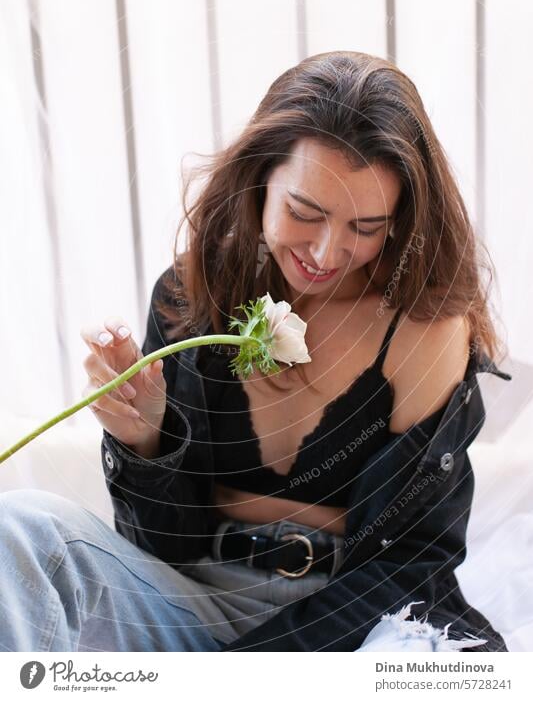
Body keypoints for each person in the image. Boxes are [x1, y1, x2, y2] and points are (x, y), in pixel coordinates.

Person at [0, 50, 512, 652]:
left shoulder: (424, 331)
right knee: (21, 528)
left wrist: (249, 674)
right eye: (304, 212)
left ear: (399, 219)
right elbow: (164, 546)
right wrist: (145, 441)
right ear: (261, 176)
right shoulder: (190, 295)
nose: (326, 252)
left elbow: (410, 560)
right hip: (188, 598)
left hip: (353, 621)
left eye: (365, 228)